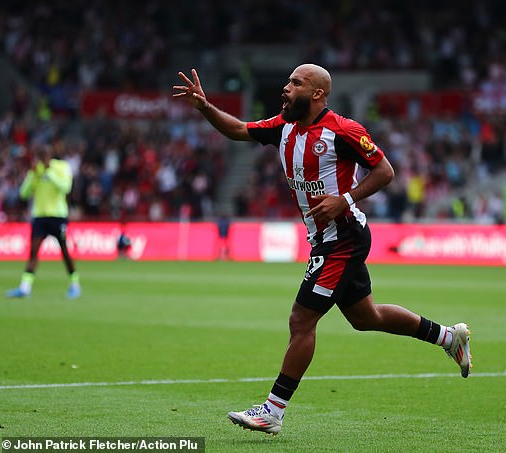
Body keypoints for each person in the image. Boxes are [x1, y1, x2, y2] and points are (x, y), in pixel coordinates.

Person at [173, 64, 472, 435]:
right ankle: (448, 337)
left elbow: (385, 172)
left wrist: (344, 199)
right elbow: (237, 130)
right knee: (367, 318)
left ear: (317, 93)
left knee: (301, 320)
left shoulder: (342, 130)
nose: (285, 88)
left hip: (341, 239)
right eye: (286, 82)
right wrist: (205, 106)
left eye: (295, 83)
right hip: (326, 239)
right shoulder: (283, 127)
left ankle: (273, 411)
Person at [6, 145, 81, 299]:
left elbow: (66, 187)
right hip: (39, 217)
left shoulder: (61, 167)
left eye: (44, 155)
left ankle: (75, 284)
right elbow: (24, 193)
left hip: (58, 216)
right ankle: (24, 288)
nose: (42, 159)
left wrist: (48, 173)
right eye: (40, 156)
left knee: (64, 251)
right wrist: (33, 175)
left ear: (50, 155)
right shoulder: (36, 170)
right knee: (33, 252)